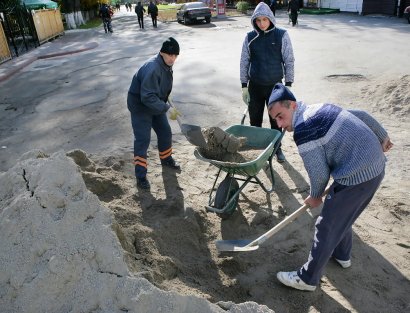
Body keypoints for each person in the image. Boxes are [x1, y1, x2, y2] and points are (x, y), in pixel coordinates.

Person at [267, 83, 393, 291]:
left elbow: (318, 172)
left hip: (358, 176)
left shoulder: (304, 129)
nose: (280, 124)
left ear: (292, 105)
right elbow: (360, 114)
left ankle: (307, 278)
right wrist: (382, 135)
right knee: (341, 214)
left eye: (281, 116)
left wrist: (315, 195)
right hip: (375, 167)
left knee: (326, 225)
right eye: (276, 120)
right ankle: (342, 255)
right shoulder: (319, 108)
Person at [240, 2, 295, 163]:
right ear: (254, 21)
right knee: (255, 122)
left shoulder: (281, 35)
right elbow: (244, 62)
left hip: (275, 87)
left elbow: (289, 60)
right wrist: (244, 86)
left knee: (276, 121)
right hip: (255, 87)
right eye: (258, 20)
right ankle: (259, 151)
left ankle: (277, 148)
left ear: (270, 18)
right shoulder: (250, 38)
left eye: (265, 19)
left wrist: (289, 84)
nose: (262, 23)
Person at [127, 37, 182, 190]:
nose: (173, 58)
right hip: (140, 106)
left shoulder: (165, 64)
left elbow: (158, 88)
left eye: (175, 55)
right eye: (170, 55)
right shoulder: (153, 68)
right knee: (143, 140)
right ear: (162, 53)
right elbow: (147, 96)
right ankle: (141, 176)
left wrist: (165, 99)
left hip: (155, 102)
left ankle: (166, 159)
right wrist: (166, 108)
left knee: (165, 132)